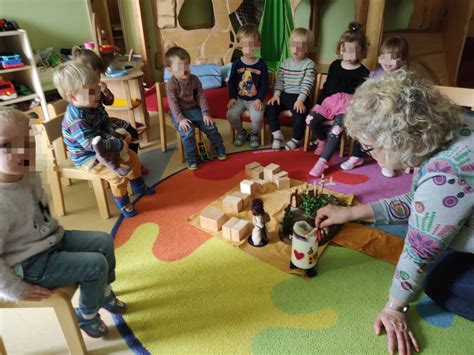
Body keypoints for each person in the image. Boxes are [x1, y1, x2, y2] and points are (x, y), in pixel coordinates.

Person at [315, 69, 473, 355]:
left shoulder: (446, 172)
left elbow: (419, 249)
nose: (369, 154)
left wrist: (395, 307)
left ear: (396, 139)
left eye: (369, 147)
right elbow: (420, 202)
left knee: (437, 279)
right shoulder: (456, 129)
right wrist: (350, 214)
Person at [0, 107, 126, 338]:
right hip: (27, 265)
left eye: (27, 141)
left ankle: (103, 291)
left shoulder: (29, 174)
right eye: (6, 145)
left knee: (103, 241)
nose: (22, 151)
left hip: (51, 240)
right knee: (95, 264)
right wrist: (16, 289)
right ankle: (87, 316)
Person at [53, 61, 155, 218]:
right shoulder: (76, 119)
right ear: (73, 97)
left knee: (133, 158)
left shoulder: (93, 101)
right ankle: (124, 204)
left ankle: (138, 186)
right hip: (87, 156)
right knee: (117, 176)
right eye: (92, 91)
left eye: (97, 88)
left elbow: (105, 121)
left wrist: (116, 134)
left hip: (102, 143)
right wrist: (119, 143)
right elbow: (91, 144)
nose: (98, 93)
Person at [72, 46, 149, 175]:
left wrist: (105, 91)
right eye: (95, 75)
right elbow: (85, 128)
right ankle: (123, 162)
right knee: (119, 138)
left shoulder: (95, 87)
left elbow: (109, 102)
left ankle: (131, 161)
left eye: (98, 75)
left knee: (131, 132)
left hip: (104, 121)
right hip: (95, 129)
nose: (98, 78)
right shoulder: (81, 94)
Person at [340, 36, 409, 178]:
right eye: (385, 57)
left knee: (390, 132)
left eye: (393, 58)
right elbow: (365, 93)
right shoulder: (374, 74)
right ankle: (357, 155)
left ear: (402, 59)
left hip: (393, 114)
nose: (388, 62)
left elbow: (404, 99)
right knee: (362, 124)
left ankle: (386, 162)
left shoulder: (404, 77)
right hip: (374, 112)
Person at [306, 22, 369, 177]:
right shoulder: (334, 65)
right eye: (346, 50)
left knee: (336, 129)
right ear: (341, 49)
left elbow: (361, 97)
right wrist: (318, 104)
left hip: (347, 107)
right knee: (310, 119)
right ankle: (322, 140)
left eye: (354, 51)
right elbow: (327, 87)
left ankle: (323, 161)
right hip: (329, 103)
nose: (349, 55)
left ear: (362, 51)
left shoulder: (363, 71)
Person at [164, 46, 226, 170]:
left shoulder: (194, 79)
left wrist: (205, 113)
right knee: (188, 132)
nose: (184, 70)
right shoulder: (171, 84)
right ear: (170, 70)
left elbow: (201, 97)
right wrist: (180, 119)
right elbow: (173, 104)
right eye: (180, 67)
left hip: (194, 109)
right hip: (179, 113)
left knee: (210, 126)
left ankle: (220, 149)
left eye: (187, 66)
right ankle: (191, 159)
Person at [267, 27, 316, 151]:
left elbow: (307, 84)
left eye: (301, 46)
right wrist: (277, 94)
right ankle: (277, 133)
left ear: (307, 49)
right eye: (294, 45)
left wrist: (300, 100)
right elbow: (279, 81)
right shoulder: (285, 63)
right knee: (271, 107)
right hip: (284, 94)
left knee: (299, 115)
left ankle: (296, 139)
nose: (296, 49)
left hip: (300, 96)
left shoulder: (309, 64)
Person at [226, 24, 269, 149]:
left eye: (252, 44)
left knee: (257, 116)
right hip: (239, 98)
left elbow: (264, 84)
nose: (249, 48)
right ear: (239, 45)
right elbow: (231, 82)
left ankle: (254, 134)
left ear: (258, 44)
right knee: (231, 115)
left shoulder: (261, 64)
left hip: (254, 100)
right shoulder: (236, 63)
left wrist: (259, 99)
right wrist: (232, 97)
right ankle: (241, 132)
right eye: (245, 45)